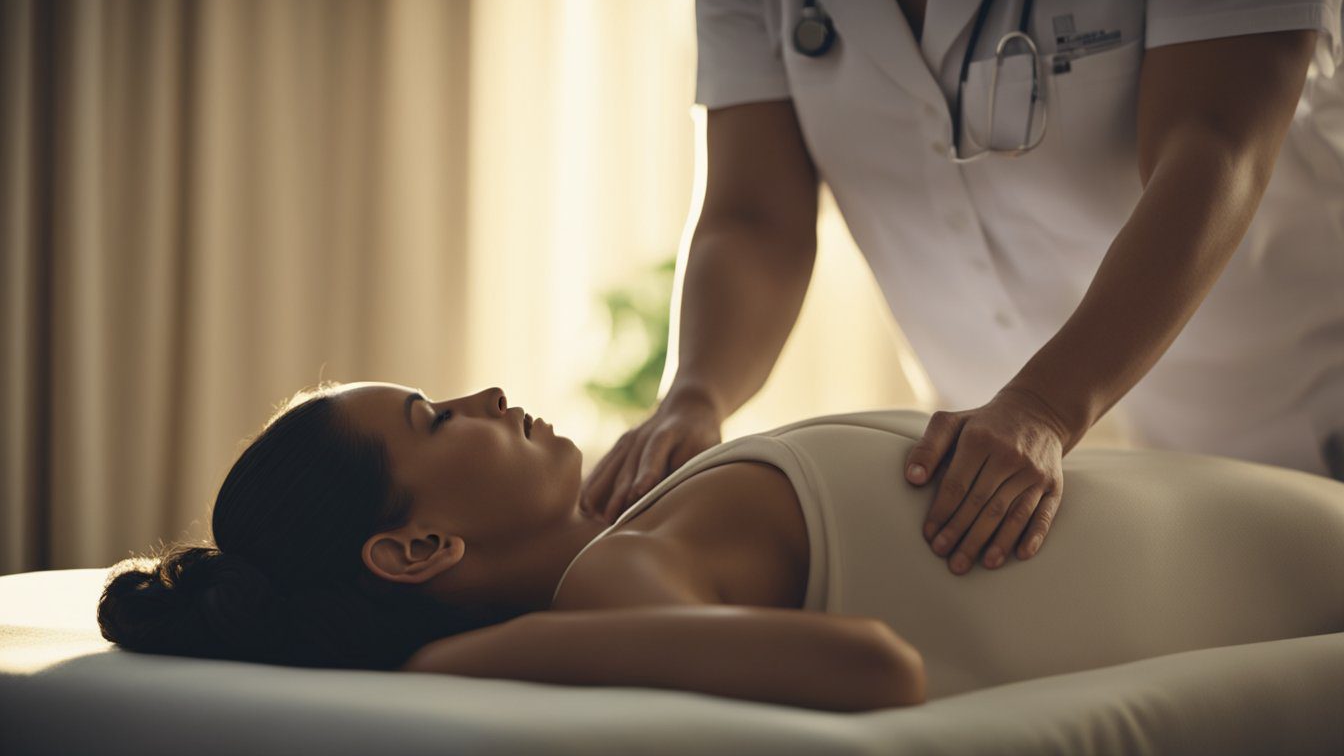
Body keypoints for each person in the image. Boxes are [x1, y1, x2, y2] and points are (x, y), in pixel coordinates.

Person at [579, 0, 1344, 578]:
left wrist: (1046, 404)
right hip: (1010, 479)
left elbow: (1213, 144)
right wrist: (696, 392)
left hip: (1296, 416)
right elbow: (752, 216)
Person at [99, 383, 1344, 710]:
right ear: (418, 547)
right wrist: (449, 668)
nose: (481, 394)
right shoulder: (608, 584)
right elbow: (878, 669)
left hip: (1233, 529)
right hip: (1260, 562)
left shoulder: (630, 531)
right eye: (432, 417)